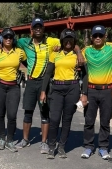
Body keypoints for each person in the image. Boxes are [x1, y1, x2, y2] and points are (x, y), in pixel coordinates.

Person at [0, 17, 84, 154]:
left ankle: (44, 142)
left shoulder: (52, 41)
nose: (38, 29)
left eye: (40, 27)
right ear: (31, 30)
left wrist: (79, 51)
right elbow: (7, 40)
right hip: (31, 81)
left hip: (45, 82)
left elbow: (69, 42)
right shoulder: (24, 42)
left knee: (45, 112)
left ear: (43, 29)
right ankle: (26, 139)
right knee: (28, 112)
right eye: (35, 27)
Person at [39, 28, 88, 159]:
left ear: (74, 41)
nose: (68, 42)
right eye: (66, 39)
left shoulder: (78, 55)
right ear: (62, 40)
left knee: (67, 120)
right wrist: (43, 91)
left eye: (71, 39)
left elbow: (85, 76)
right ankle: (51, 146)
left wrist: (84, 93)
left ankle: (61, 147)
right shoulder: (55, 54)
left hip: (72, 88)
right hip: (56, 88)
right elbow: (48, 73)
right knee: (54, 118)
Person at [80, 25, 112, 160]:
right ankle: (88, 146)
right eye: (95, 36)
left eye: (100, 35)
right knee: (89, 121)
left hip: (107, 91)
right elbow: (77, 58)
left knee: (105, 121)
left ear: (105, 36)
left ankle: (103, 148)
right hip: (91, 90)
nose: (97, 38)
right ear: (91, 37)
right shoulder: (86, 50)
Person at [0, 28, 27, 152]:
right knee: (0, 114)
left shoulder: (19, 52)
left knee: (12, 115)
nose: (8, 39)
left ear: (13, 39)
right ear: (2, 38)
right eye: (5, 37)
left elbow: (29, 64)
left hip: (14, 87)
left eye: (10, 37)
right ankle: (2, 138)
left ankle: (10, 140)